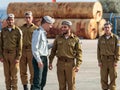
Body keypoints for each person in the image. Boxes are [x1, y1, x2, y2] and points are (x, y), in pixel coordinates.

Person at [49, 20, 82, 90]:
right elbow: (53, 51)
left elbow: (79, 53)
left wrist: (78, 65)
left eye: (65, 27)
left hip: (70, 64)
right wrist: (50, 62)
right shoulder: (58, 38)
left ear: (69, 28)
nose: (63, 29)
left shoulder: (75, 39)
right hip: (60, 64)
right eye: (62, 27)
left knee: (71, 85)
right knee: (61, 85)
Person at [32, 15, 55, 90]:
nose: (51, 27)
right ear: (46, 23)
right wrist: (38, 60)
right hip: (40, 59)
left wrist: (53, 44)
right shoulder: (38, 32)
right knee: (37, 82)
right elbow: (34, 48)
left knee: (42, 81)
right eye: (50, 24)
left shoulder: (43, 33)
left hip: (44, 58)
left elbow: (43, 47)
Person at [0, 13, 22, 90]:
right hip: (5, 55)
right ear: (7, 21)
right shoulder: (3, 31)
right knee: (7, 76)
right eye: (9, 20)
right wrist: (1, 56)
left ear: (13, 20)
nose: (10, 21)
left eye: (11, 20)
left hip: (14, 55)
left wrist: (18, 57)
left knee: (14, 75)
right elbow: (0, 44)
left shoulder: (17, 31)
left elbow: (20, 45)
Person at [97, 21, 120, 90]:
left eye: (108, 27)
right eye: (105, 27)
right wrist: (99, 61)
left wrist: (116, 61)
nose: (107, 29)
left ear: (111, 28)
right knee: (103, 78)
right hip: (103, 60)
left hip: (112, 60)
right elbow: (98, 50)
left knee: (113, 77)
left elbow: (118, 50)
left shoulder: (115, 38)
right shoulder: (100, 38)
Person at [20, 11, 38, 90]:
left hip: (31, 51)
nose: (27, 19)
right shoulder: (20, 29)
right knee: (23, 70)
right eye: (26, 17)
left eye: (29, 18)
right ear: (24, 18)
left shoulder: (36, 29)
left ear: (32, 18)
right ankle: (25, 87)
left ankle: (32, 86)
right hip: (23, 51)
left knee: (33, 70)